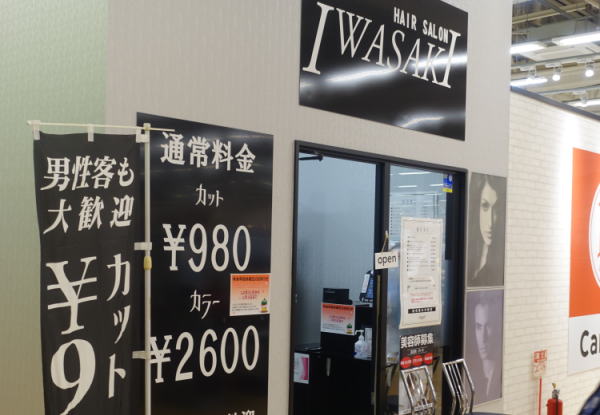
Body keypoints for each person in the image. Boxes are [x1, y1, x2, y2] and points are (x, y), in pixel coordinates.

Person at [467, 174, 506, 287]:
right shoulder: (468, 252)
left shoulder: (498, 263)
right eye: (485, 206)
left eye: (497, 210)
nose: (490, 222)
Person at [467, 291, 503, 405]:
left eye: (488, 326)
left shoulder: (501, 374)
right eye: (478, 327)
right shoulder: (470, 374)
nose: (483, 337)